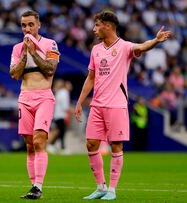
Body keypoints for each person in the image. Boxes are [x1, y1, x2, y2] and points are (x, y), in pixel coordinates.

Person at [74, 10, 172, 200]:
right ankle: (100, 187)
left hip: (116, 105)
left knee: (116, 146)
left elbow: (142, 46)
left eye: (97, 25)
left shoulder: (125, 47)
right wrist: (79, 102)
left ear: (108, 26)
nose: (94, 29)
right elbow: (91, 77)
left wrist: (156, 40)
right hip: (97, 105)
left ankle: (112, 190)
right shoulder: (96, 50)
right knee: (91, 144)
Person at [9, 10, 60, 199]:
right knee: (30, 145)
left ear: (38, 25)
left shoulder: (50, 44)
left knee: (39, 140)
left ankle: (38, 186)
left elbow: (50, 69)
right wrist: (24, 53)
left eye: (30, 24)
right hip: (25, 97)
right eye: (24, 25)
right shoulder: (17, 48)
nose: (27, 29)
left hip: (44, 96)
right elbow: (14, 74)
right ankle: (33, 186)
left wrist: (34, 51)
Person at [47, 79, 72, 154]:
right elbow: (65, 106)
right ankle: (61, 147)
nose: (71, 86)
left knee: (59, 132)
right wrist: (70, 111)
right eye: (69, 84)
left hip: (57, 115)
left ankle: (53, 145)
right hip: (61, 115)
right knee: (61, 132)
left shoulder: (59, 92)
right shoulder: (65, 92)